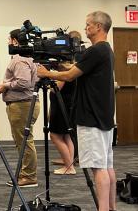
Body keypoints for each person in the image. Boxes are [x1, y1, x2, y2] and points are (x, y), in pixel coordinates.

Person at [38, 11, 116, 211]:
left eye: (88, 25)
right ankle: (111, 207)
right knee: (107, 166)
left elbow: (71, 75)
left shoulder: (95, 51)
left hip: (91, 117)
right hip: (104, 116)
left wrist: (46, 73)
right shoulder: (106, 50)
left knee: (99, 168)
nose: (85, 28)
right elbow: (79, 70)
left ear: (99, 27)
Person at [0, 29, 40, 187]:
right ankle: (26, 174)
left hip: (22, 105)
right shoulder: (29, 57)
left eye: (9, 39)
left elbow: (23, 82)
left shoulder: (19, 59)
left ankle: (29, 177)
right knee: (24, 140)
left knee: (24, 141)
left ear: (15, 41)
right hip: (27, 103)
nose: (8, 42)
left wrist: (5, 85)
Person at [48, 30, 82, 175]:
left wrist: (49, 79)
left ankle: (69, 166)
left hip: (61, 105)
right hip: (68, 105)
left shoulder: (65, 68)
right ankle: (69, 163)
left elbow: (57, 88)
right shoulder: (75, 64)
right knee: (67, 135)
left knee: (55, 135)